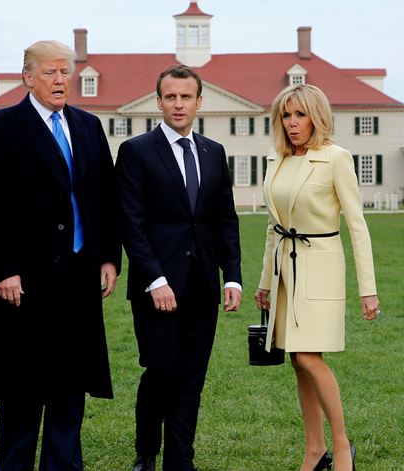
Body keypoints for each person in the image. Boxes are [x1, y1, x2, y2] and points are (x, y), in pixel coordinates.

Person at [0, 40, 122, 471]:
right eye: (51, 73)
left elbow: (103, 199)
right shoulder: (0, 128)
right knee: (22, 387)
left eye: (65, 73)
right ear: (28, 77)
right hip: (23, 281)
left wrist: (108, 257)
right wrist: (3, 269)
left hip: (78, 276)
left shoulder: (89, 127)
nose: (60, 81)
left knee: (69, 385)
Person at [115, 64, 242, 471]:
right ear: (158, 101)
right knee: (161, 369)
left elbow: (225, 219)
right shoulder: (136, 151)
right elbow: (130, 223)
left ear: (199, 101)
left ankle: (180, 461)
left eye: (186, 96)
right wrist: (155, 279)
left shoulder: (213, 152)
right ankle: (146, 452)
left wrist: (233, 275)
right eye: (170, 96)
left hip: (203, 283)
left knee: (191, 376)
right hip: (156, 286)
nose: (178, 103)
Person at [254, 83, 381, 471]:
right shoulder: (276, 160)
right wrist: (264, 281)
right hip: (284, 273)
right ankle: (314, 450)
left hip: (321, 266)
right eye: (286, 116)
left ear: (317, 117)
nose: (292, 124)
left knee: (310, 357)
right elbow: (273, 227)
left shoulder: (336, 158)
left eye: (300, 115)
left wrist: (368, 290)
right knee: (296, 359)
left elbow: (357, 226)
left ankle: (342, 448)